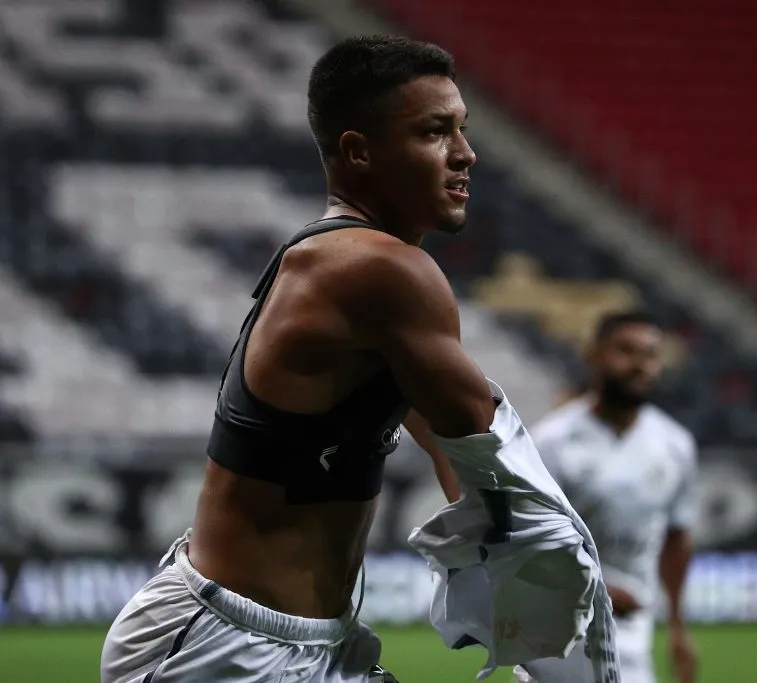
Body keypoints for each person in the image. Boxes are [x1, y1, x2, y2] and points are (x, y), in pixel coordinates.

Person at [100, 34, 504, 683]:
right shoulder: (377, 268)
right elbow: (489, 443)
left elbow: (458, 444)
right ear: (359, 151)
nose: (465, 153)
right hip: (224, 648)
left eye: (461, 128)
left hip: (311, 644)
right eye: (435, 132)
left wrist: (499, 561)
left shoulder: (362, 273)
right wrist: (541, 599)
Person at [514, 311, 700, 683]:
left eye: (650, 354)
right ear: (594, 356)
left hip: (632, 640)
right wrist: (596, 589)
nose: (640, 365)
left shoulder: (675, 444)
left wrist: (678, 627)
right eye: (626, 351)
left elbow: (676, 536)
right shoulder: (552, 442)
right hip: (556, 639)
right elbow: (526, 543)